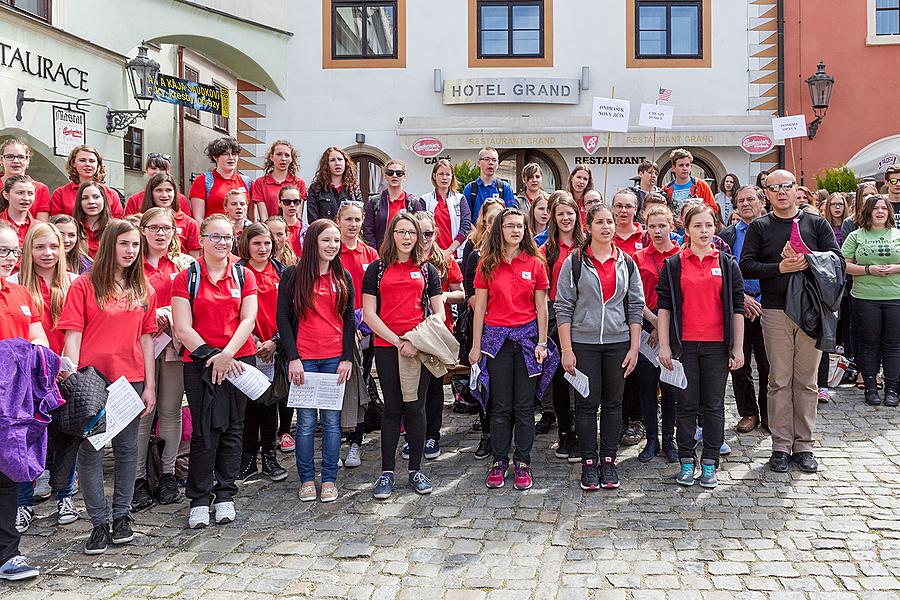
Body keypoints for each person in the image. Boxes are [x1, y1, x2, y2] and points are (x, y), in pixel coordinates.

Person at [59, 219, 157, 554]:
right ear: (109, 245)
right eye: (124, 244)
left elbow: (146, 340)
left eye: (135, 245)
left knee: (129, 451)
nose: (130, 251)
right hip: (93, 384)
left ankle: (122, 517)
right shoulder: (83, 286)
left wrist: (151, 385)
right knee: (92, 452)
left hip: (131, 381)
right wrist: (71, 380)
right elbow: (72, 335)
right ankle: (99, 523)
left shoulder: (144, 288)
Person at [740, 169, 844, 474]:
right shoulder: (760, 227)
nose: (781, 192)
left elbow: (837, 261)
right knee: (778, 380)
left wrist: (808, 256)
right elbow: (746, 266)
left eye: (786, 186)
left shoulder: (815, 223)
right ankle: (781, 445)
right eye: (774, 188)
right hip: (774, 310)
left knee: (807, 381)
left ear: (796, 189)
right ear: (767, 194)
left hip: (812, 310)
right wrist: (781, 267)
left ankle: (804, 445)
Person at [171, 214, 259, 529]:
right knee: (205, 431)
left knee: (234, 429)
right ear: (202, 239)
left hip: (237, 360)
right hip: (200, 363)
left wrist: (227, 355)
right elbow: (182, 326)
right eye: (215, 236)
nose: (221, 243)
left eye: (227, 237)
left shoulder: (243, 276)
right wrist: (213, 357)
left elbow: (248, 320)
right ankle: (198, 498)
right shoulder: (187, 277)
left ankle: (225, 494)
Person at [556, 205, 643, 490]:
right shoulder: (575, 261)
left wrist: (633, 347)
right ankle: (589, 462)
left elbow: (635, 306)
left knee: (613, 403)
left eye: (610, 222)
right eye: (600, 222)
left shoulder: (626, 262)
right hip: (584, 343)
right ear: (589, 227)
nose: (606, 226)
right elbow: (564, 306)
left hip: (618, 343)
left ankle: (609, 460)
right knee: (586, 403)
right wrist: (567, 349)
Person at [657, 204, 745, 489]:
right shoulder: (673, 265)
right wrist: (665, 346)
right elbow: (665, 307)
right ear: (686, 228)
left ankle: (709, 463)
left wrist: (738, 348)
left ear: (714, 227)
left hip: (717, 346)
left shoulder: (728, 263)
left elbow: (737, 308)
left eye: (708, 225)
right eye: (697, 226)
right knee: (686, 405)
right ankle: (685, 461)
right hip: (685, 346)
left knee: (713, 406)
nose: (704, 231)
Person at [362, 212, 444, 499]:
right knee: (393, 408)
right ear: (391, 235)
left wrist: (414, 340)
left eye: (412, 232)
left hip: (418, 348)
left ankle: (415, 469)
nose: (407, 237)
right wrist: (398, 341)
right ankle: (386, 472)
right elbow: (370, 315)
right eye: (401, 232)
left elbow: (439, 313)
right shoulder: (376, 269)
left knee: (416, 408)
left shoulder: (427, 270)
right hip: (387, 348)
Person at [470, 208, 552, 491]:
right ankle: (499, 460)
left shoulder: (536, 262)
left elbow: (542, 307)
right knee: (501, 406)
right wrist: (475, 345)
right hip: (496, 343)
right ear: (499, 230)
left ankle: (523, 462)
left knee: (524, 407)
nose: (516, 230)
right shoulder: (487, 264)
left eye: (520, 226)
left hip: (528, 342)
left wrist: (542, 342)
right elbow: (479, 307)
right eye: (510, 226)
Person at [276, 219, 355, 502]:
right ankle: (307, 478)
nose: (333, 245)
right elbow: (283, 319)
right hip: (305, 360)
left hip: (334, 360)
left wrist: (347, 358)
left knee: (332, 423)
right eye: (326, 240)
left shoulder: (342, 276)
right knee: (307, 422)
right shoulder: (292, 275)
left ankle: (330, 479)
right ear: (312, 243)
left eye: (336, 241)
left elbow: (348, 320)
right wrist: (293, 357)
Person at [10, 223, 80, 538]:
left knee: (67, 435)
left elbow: (77, 330)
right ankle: (24, 502)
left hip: (65, 370)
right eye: (40, 247)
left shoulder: (75, 283)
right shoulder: (15, 284)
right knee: (29, 438)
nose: (48, 253)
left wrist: (69, 364)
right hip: (28, 376)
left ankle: (65, 496)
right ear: (29, 251)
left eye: (53, 246)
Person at [132, 208, 194, 511]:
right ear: (143, 230)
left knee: (170, 410)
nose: (160, 233)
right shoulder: (131, 263)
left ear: (174, 232)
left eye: (166, 228)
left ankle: (168, 473)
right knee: (143, 411)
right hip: (137, 346)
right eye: (154, 227)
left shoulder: (183, 265)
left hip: (172, 346)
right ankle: (139, 478)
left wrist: (169, 313)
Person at [0, 221, 46, 581]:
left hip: (15, 404)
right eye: (2, 250)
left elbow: (37, 336)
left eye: (14, 251)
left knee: (7, 475)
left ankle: (8, 554)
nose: (9, 257)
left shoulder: (20, 293)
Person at [398, 212, 464, 461]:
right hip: (410, 333)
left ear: (435, 233)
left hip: (437, 329)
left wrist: (443, 296)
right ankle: (414, 435)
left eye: (428, 233)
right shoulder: (403, 259)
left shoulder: (444, 259)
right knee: (411, 389)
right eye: (419, 232)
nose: (424, 238)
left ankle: (432, 435)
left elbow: (462, 293)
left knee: (434, 387)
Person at [236, 223, 288, 483]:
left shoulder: (281, 271)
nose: (263, 248)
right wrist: (251, 340)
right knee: (248, 407)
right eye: (257, 243)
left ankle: (269, 456)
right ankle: (247, 459)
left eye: (267, 243)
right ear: (247, 244)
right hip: (245, 347)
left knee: (269, 404)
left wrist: (275, 342)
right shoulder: (237, 271)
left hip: (273, 348)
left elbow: (290, 311)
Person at [841, 194, 900, 407]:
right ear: (868, 212)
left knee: (893, 345)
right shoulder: (856, 236)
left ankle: (892, 389)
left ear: (889, 212)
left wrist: (895, 268)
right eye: (876, 208)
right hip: (865, 297)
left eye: (884, 208)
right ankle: (871, 386)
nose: (880, 212)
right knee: (869, 343)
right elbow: (843, 264)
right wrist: (868, 270)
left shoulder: (897, 234)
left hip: (895, 296)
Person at [719, 185, 770, 433]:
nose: (746, 203)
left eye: (751, 199)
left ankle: (769, 413)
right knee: (739, 363)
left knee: (768, 364)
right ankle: (748, 413)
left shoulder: (772, 231)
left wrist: (759, 298)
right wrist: (741, 298)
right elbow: (721, 275)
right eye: (741, 200)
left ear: (762, 202)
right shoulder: (726, 235)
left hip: (768, 304)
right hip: (737, 305)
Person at [633, 206, 680, 463]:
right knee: (648, 386)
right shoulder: (639, 258)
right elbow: (634, 296)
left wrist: (665, 328)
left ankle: (669, 440)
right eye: (652, 226)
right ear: (646, 228)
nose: (657, 231)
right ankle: (651, 438)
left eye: (662, 225)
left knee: (670, 387)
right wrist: (652, 322)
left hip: (674, 328)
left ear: (672, 226)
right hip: (645, 326)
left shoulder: (681, 255)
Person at [461, 198, 505, 459]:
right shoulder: (476, 254)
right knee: (485, 385)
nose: (496, 226)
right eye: (492, 221)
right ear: (485, 224)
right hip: (483, 329)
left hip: (509, 329)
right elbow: (471, 294)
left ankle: (504, 435)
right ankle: (487, 435)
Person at [539, 192, 584, 449]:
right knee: (559, 375)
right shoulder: (547, 250)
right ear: (554, 218)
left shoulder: (586, 245)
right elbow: (542, 291)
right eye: (560, 214)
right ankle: (565, 431)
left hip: (584, 314)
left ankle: (582, 428)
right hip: (555, 313)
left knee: (582, 372)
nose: (565, 218)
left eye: (570, 213)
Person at [336, 200, 379, 466]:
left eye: (357, 219)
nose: (353, 224)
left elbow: (375, 295)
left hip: (364, 331)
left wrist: (362, 327)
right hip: (334, 331)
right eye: (348, 219)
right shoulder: (330, 250)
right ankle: (336, 437)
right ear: (339, 221)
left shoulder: (370, 254)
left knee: (360, 386)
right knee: (337, 387)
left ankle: (356, 442)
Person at [611, 190, 646, 447]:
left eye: (628, 207)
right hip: (610, 315)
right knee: (616, 370)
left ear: (636, 209)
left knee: (638, 370)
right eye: (619, 206)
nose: (623, 211)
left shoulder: (644, 237)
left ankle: (636, 419)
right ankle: (618, 419)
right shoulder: (604, 234)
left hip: (640, 312)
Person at [265, 215, 298, 451]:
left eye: (280, 234)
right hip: (259, 335)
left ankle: (285, 430)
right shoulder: (251, 264)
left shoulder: (290, 267)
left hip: (283, 334)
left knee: (286, 385)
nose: (275, 239)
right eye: (270, 234)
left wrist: (278, 339)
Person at [363, 160, 425, 250]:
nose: (394, 176)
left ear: (404, 176)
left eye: (399, 173)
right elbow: (368, 230)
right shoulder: (374, 202)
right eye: (390, 173)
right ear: (385, 176)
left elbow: (420, 229)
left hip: (406, 252)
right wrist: (375, 252)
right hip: (381, 252)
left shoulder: (413, 203)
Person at [50, 145, 123, 218]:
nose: (87, 164)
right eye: (82, 160)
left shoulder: (111, 194)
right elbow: (57, 222)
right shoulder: (60, 193)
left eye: (92, 161)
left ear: (98, 165)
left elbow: (117, 224)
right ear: (73, 163)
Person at [189, 137, 252, 221]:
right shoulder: (202, 181)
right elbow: (198, 218)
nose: (231, 158)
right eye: (226, 154)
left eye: (234, 154)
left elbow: (251, 218)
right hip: (214, 232)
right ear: (215, 157)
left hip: (241, 232)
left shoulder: (247, 182)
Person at [140, 173, 201, 259]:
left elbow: (194, 260)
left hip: (179, 271)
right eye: (159, 190)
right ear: (151, 193)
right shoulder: (141, 220)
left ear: (175, 193)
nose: (164, 195)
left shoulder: (190, 224)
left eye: (168, 190)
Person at [421, 159, 472, 260]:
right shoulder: (425, 200)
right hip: (431, 256)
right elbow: (421, 229)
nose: (444, 178)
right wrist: (437, 252)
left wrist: (450, 250)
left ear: (452, 177)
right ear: (434, 176)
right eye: (441, 174)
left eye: (447, 174)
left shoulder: (460, 199)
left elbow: (465, 226)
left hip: (456, 256)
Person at [251, 140, 307, 222]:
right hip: (270, 230)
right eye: (279, 154)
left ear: (291, 159)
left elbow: (297, 216)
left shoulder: (299, 183)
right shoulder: (260, 183)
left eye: (287, 155)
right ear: (271, 157)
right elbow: (264, 218)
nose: (283, 158)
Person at [306, 147, 362, 223]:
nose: (337, 163)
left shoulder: (353, 187)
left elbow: (360, 214)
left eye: (340, 159)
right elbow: (313, 220)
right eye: (332, 160)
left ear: (345, 162)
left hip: (348, 233)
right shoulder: (316, 188)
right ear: (326, 164)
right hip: (325, 233)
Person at [125, 153, 191, 217]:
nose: (157, 172)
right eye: (153, 168)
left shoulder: (181, 199)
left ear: (169, 171)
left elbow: (188, 223)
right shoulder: (135, 200)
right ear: (146, 170)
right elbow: (128, 224)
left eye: (162, 169)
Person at [0, 139, 51, 221]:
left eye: (21, 157)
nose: (16, 161)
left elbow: (42, 225)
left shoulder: (41, 189)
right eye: (9, 157)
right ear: (1, 160)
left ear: (27, 160)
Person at [462, 147, 517, 219]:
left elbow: (511, 214)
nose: (490, 163)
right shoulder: (470, 188)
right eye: (486, 159)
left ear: (497, 164)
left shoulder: (505, 187)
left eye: (494, 160)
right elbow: (465, 217)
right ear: (478, 163)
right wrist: (477, 230)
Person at [661, 148, 717, 218]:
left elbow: (713, 209)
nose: (685, 168)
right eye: (681, 165)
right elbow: (662, 212)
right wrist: (673, 220)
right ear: (673, 167)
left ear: (691, 167)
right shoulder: (666, 189)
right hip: (674, 228)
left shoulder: (702, 185)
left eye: (687, 165)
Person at [73, 181, 112, 259]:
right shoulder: (73, 229)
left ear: (104, 199)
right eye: (85, 198)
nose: (91, 202)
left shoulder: (114, 229)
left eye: (96, 197)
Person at [0, 175, 35, 247]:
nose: (26, 198)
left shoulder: (39, 227)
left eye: (30, 193)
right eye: (20, 193)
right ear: (6, 195)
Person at [278, 185, 307, 258]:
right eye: (287, 202)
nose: (292, 205)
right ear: (279, 203)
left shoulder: (308, 230)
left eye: (296, 202)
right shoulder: (272, 229)